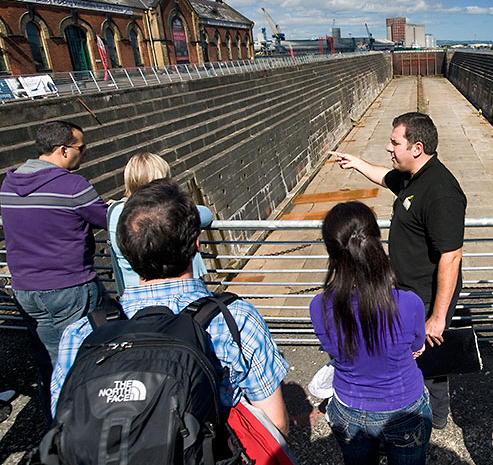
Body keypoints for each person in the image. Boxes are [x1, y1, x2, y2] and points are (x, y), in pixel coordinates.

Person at [50, 179, 290, 439]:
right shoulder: (235, 320)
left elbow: (63, 424)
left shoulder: (82, 333)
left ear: (125, 249)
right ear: (196, 244)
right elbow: (274, 426)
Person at [329, 112, 466, 429]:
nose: (389, 147)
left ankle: (434, 417)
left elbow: (452, 256)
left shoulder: (441, 192)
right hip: (407, 290)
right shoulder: (410, 176)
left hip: (427, 296)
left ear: (416, 147)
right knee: (413, 354)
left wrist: (438, 316)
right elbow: (384, 177)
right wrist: (356, 162)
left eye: (394, 142)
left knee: (429, 356)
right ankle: (417, 406)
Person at [0, 120, 107, 418]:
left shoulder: (9, 183)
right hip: (69, 287)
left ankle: (55, 427)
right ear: (62, 150)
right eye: (81, 148)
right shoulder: (72, 186)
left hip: (25, 291)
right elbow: (107, 219)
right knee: (82, 359)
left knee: (48, 360)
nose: (84, 154)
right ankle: (81, 429)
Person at [310, 201, 430, 464]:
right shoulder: (410, 303)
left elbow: (332, 348)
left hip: (349, 408)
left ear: (331, 250)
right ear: (376, 241)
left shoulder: (318, 306)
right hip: (405, 405)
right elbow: (416, 346)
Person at [108, 152, 213, 294]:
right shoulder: (167, 213)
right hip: (176, 291)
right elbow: (206, 214)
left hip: (134, 294)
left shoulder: (114, 211)